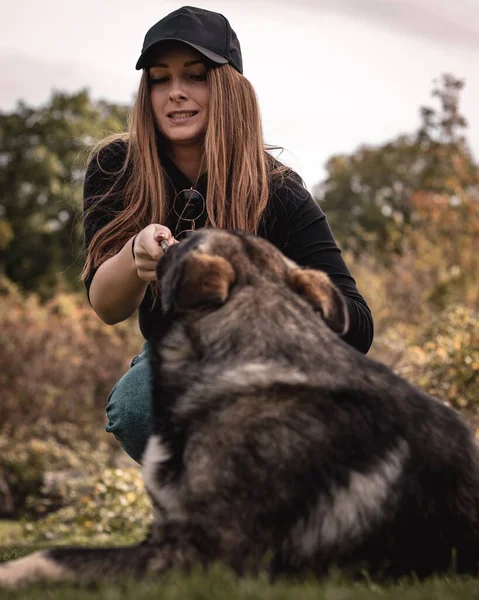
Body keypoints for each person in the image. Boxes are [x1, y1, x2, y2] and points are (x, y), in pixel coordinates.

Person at [82, 6, 374, 464]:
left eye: (195, 75)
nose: (175, 93)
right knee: (139, 409)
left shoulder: (278, 190)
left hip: (273, 362)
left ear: (229, 87)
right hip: (181, 355)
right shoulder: (115, 168)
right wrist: (134, 253)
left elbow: (357, 324)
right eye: (160, 79)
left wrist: (257, 289)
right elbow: (105, 305)